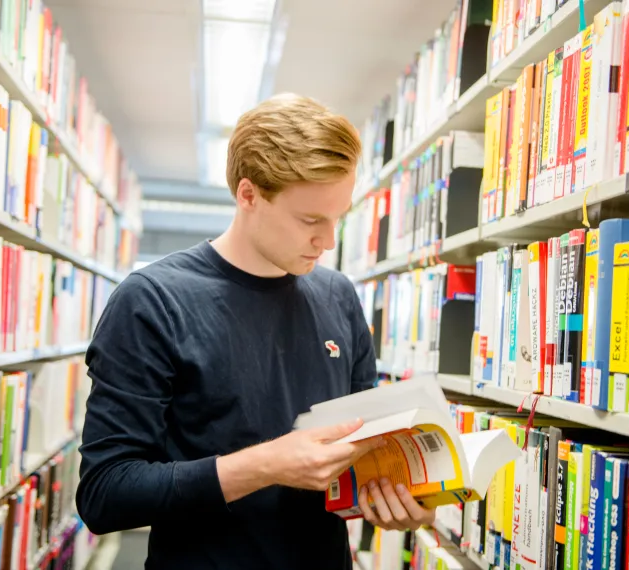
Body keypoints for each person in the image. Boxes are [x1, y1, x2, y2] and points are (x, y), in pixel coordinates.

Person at [76, 93, 436, 569]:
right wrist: (267, 465)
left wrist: (392, 500)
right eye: (311, 220)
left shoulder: (339, 297)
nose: (328, 242)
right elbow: (105, 494)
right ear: (248, 195)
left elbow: (356, 462)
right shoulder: (151, 301)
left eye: (337, 220)